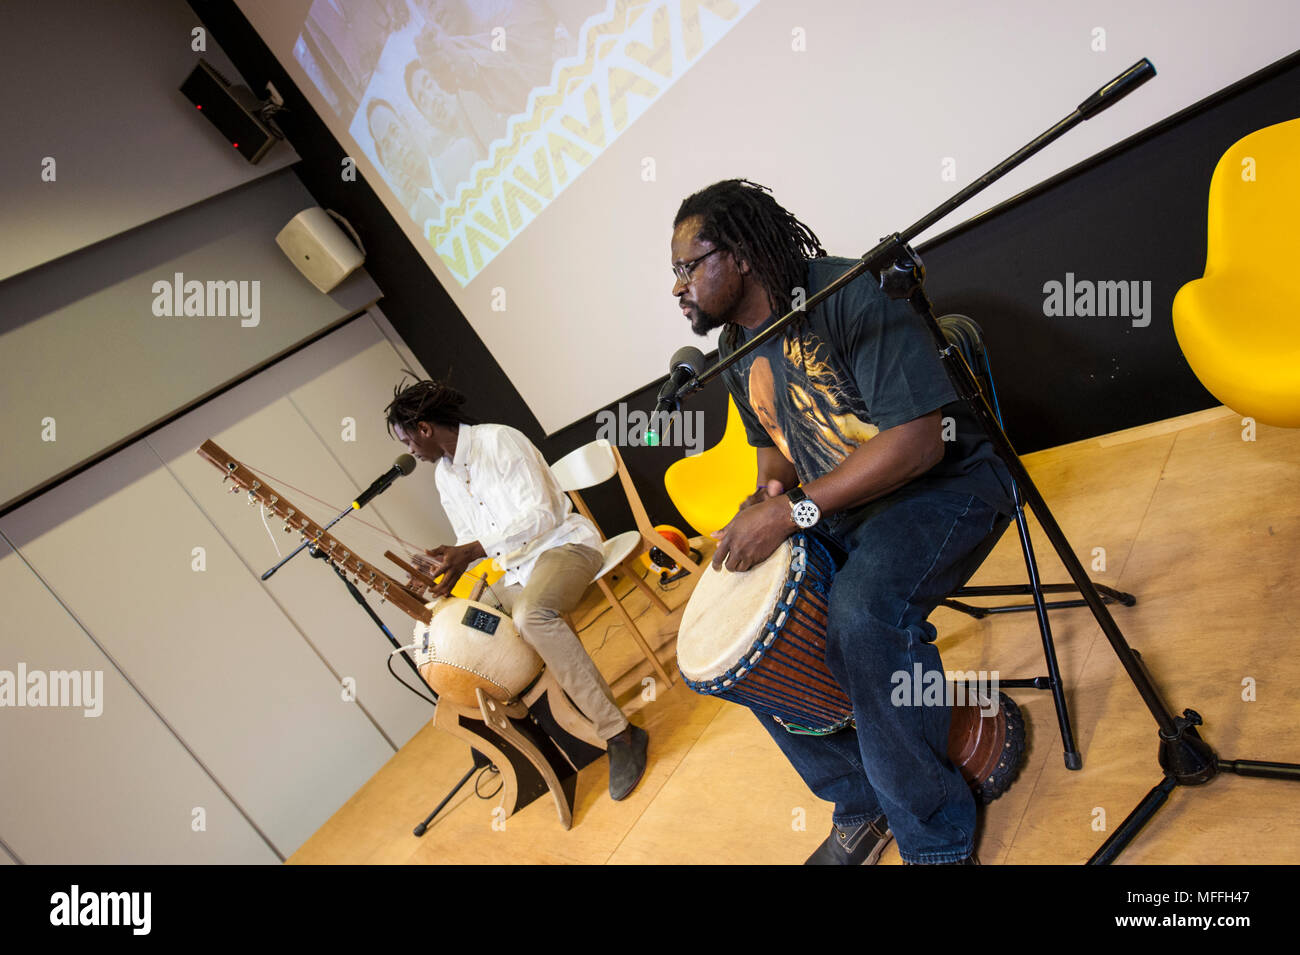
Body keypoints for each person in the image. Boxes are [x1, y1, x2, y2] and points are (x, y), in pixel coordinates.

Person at [670, 180, 1016, 864]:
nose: (677, 287)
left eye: (688, 265)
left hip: (946, 487)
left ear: (738, 254)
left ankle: (935, 838)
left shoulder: (846, 294)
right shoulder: (736, 346)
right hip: (848, 506)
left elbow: (921, 441)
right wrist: (764, 496)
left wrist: (792, 511)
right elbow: (775, 446)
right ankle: (860, 794)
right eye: (674, 273)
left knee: (860, 618)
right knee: (739, 641)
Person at [385, 378, 649, 800]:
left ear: (424, 428)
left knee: (531, 616)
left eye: (407, 440)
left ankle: (619, 733)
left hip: (564, 547)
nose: (411, 451)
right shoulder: (445, 478)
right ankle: (551, 729)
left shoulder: (499, 441)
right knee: (469, 627)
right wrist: (446, 573)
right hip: (515, 570)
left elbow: (542, 515)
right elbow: (471, 538)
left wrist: (470, 549)